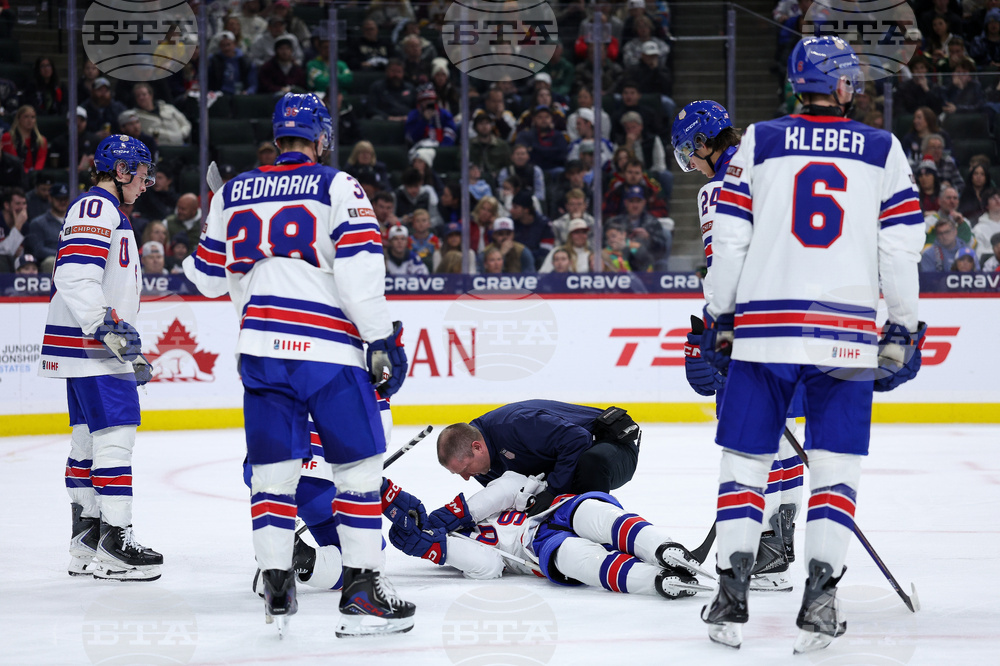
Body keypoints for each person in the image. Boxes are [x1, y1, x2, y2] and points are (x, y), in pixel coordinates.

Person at [699, 36, 926, 653]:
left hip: (762, 333)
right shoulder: (883, 148)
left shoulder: (760, 140)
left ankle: (730, 597)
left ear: (797, 83)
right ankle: (820, 603)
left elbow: (730, 236)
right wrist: (902, 326)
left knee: (745, 466)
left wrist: (718, 314)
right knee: (834, 472)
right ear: (846, 86)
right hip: (846, 336)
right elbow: (900, 247)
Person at [182, 93, 414, 635]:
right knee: (357, 472)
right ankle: (362, 596)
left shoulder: (235, 191)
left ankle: (278, 586)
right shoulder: (337, 185)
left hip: (260, 354)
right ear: (321, 136)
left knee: (272, 476)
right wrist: (382, 338)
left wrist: (221, 218)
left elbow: (207, 277)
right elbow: (359, 273)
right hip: (327, 353)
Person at [671, 99, 805, 593]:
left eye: (690, 152)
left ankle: (755, 549)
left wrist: (713, 330)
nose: (691, 163)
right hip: (802, 317)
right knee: (784, 431)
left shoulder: (717, 188)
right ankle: (776, 549)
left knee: (747, 443)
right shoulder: (773, 161)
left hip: (752, 327)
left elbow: (722, 271)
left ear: (704, 144)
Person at [38, 135, 162, 581]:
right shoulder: (97, 207)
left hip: (91, 346)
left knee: (88, 441)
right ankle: (116, 541)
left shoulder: (105, 211)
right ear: (123, 170)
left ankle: (85, 541)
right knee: (115, 438)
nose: (147, 182)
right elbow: (73, 275)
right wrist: (109, 332)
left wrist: (124, 343)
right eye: (142, 173)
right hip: (94, 348)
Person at [386, 471, 712, 599]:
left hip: (554, 511)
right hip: (537, 546)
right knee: (577, 559)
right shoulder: (451, 549)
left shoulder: (464, 511)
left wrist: (463, 512)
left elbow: (512, 483)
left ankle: (665, 549)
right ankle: (657, 581)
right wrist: (438, 549)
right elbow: (489, 567)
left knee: (598, 516)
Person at [436, 400, 644, 517]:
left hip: (612, 449)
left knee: (591, 462)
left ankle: (603, 524)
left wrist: (553, 490)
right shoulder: (481, 465)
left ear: (477, 447)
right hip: (567, 461)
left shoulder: (516, 425)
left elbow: (578, 439)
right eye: (459, 474)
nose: (466, 477)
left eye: (464, 469)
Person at [607, 185, 671, 271]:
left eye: (638, 201)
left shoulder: (652, 222)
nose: (635, 205)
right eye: (631, 201)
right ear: (625, 203)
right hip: (618, 261)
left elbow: (662, 248)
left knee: (661, 263)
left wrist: (648, 238)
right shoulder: (615, 222)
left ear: (644, 202)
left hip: (646, 263)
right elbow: (604, 243)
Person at [25, 182, 71, 274]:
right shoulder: (38, 223)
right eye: (59, 199)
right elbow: (38, 250)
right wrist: (63, 254)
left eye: (65, 199)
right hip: (53, 260)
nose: (62, 202)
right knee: (50, 262)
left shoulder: (75, 220)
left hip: (73, 258)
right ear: (50, 198)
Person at [2, 105, 48, 173]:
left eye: (32, 117)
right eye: (26, 117)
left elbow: (40, 161)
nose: (30, 120)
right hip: (13, 176)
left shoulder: (42, 140)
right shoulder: (8, 137)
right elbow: (13, 161)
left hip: (34, 176)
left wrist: (34, 174)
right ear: (19, 118)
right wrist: (26, 173)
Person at [0, 187, 28, 272]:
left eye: (24, 203)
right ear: (7, 205)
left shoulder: (25, 225)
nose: (22, 207)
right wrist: (17, 226)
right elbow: (6, 252)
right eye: (18, 203)